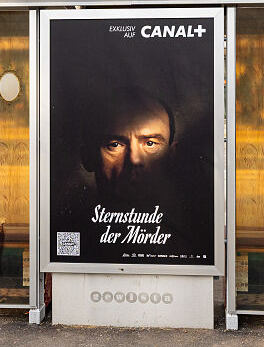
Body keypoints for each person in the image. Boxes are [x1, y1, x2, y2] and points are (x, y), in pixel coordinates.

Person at [56, 86, 202, 262]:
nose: (134, 159)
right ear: (88, 157)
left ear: (172, 157)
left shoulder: (194, 241)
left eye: (150, 143)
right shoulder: (66, 236)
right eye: (114, 144)